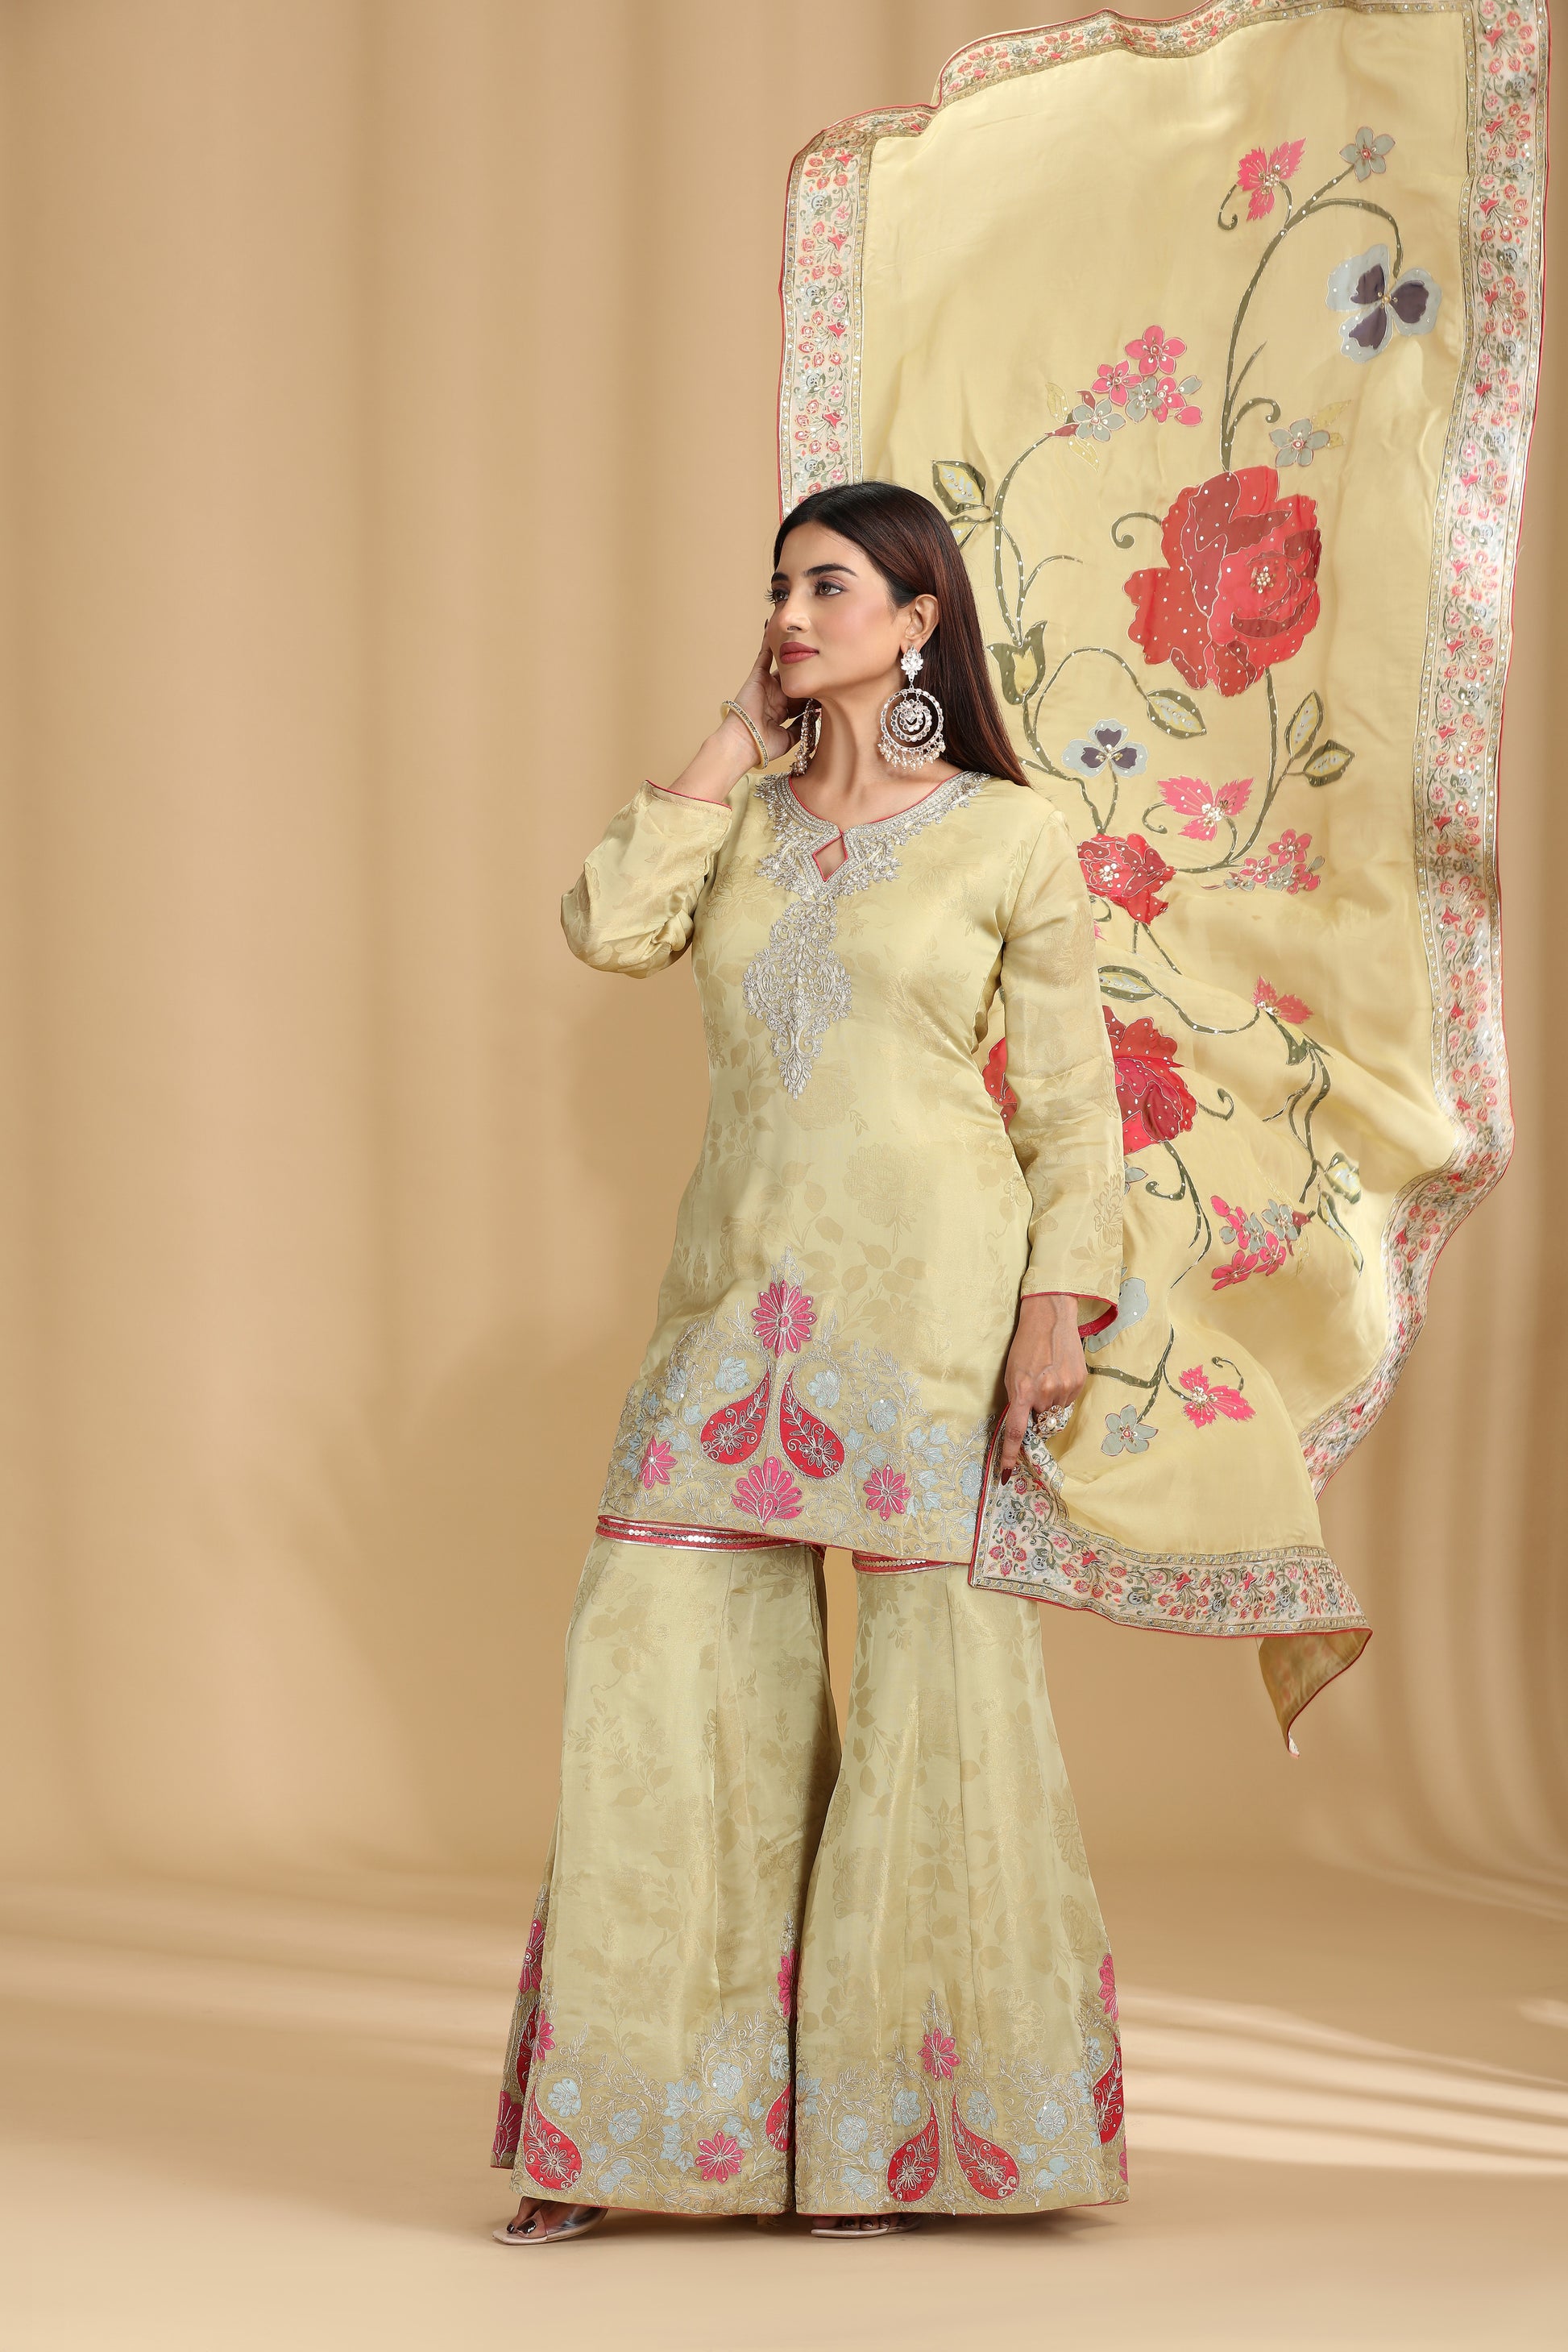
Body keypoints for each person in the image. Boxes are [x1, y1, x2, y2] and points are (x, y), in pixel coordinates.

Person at [491, 481, 1129, 2242]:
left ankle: (884, 2139)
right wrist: (723, 737)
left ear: (915, 618)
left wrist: (1053, 1306)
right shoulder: (746, 826)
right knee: (657, 1670)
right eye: (776, 585)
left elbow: (1074, 1112)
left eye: (826, 585)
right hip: (734, 1300)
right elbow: (608, 926)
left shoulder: (1012, 835)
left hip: (929, 1301)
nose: (789, 608)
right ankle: (627, 2128)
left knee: (936, 1693)